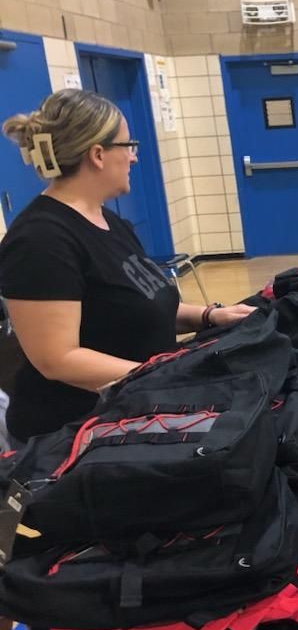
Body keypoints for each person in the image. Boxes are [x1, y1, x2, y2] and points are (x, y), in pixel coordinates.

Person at [0, 90, 252, 446]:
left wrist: (210, 316)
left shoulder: (110, 222)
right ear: (98, 154)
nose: (134, 157)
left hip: (135, 405)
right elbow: (57, 359)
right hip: (73, 432)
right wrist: (169, 375)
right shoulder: (40, 239)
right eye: (128, 145)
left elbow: (135, 308)